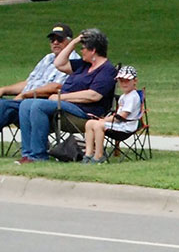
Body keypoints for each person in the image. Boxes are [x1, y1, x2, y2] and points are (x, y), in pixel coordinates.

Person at [16, 29, 116, 163]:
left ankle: (38, 156)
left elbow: (94, 95)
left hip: (84, 112)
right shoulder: (84, 65)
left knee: (38, 105)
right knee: (25, 104)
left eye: (83, 48)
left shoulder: (107, 70)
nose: (81, 51)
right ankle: (27, 154)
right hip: (67, 106)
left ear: (93, 51)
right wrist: (74, 41)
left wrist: (60, 97)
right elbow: (59, 64)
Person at [0, 23, 73, 132]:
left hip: (43, 107)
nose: (55, 42)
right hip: (25, 103)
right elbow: (29, 83)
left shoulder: (72, 61)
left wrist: (25, 95)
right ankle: (36, 142)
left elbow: (56, 87)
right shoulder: (48, 58)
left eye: (59, 39)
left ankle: (36, 142)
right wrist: (4, 89)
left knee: (4, 106)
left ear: (70, 42)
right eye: (52, 40)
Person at [82, 65, 141, 164]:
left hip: (126, 127)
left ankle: (98, 155)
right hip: (119, 124)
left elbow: (122, 116)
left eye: (127, 80)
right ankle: (88, 154)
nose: (123, 83)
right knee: (89, 123)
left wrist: (104, 120)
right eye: (121, 81)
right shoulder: (124, 96)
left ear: (135, 81)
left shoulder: (132, 97)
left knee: (98, 125)